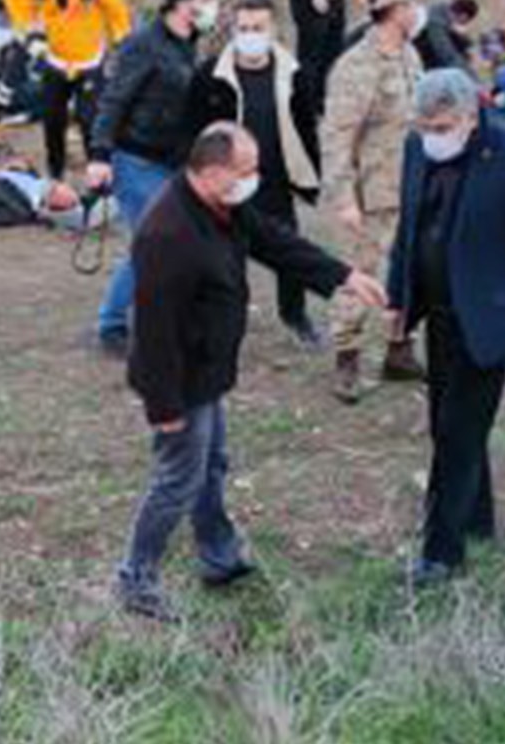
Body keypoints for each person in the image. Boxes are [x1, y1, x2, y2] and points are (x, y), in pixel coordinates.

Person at [116, 122, 388, 621]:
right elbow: (153, 333)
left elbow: (277, 244)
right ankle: (135, 578)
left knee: (212, 464)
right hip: (181, 380)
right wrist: (165, 408)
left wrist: (343, 276)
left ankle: (218, 555)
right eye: (246, 171)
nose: (255, 179)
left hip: (210, 369)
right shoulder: (167, 232)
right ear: (214, 172)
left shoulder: (223, 206)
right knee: (177, 478)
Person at [386, 70, 505, 585]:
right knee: (454, 427)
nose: (432, 135)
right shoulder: (417, 148)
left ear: (472, 116)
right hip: (438, 316)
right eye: (424, 125)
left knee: (456, 435)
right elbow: (409, 227)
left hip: (489, 318)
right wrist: (398, 298)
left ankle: (441, 555)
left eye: (442, 125)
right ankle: (478, 522)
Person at [85, 0, 220, 357]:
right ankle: (112, 324)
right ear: (182, 2)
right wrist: (99, 154)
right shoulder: (144, 45)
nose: (212, 6)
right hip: (136, 159)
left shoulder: (188, 44)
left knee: (177, 240)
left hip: (174, 161)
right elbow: (114, 99)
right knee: (154, 241)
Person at [320, 0, 429, 402]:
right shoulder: (357, 67)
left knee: (411, 271)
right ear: (397, 10)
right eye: (414, 4)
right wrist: (344, 198)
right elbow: (337, 136)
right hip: (371, 195)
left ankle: (399, 350)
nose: (420, 11)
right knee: (359, 275)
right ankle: (346, 359)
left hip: (412, 188)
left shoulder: (408, 54)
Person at [202, 0, 325, 347]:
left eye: (258, 27)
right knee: (226, 259)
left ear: (274, 29)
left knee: (289, 254)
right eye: (243, 27)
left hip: (274, 182)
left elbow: (306, 127)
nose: (250, 33)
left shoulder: (294, 73)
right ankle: (224, 325)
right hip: (226, 184)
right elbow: (194, 131)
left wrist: (309, 177)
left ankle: (295, 315)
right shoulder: (211, 75)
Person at [4, 0, 132, 180]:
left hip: (88, 60)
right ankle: (55, 173)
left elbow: (115, 9)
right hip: (54, 59)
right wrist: (29, 35)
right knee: (52, 120)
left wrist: (123, 42)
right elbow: (20, 4)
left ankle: (98, 176)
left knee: (89, 121)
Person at [417, 0, 480, 74]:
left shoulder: (445, 15)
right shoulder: (435, 23)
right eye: (464, 23)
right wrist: (471, 75)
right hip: (426, 66)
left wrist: (468, 44)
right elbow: (447, 55)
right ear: (463, 17)